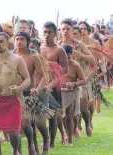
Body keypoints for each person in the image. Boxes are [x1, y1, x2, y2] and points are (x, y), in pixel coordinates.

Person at [13, 31, 53, 155]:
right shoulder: (10, 56)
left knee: (28, 124)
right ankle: (18, 150)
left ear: (27, 41)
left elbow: (43, 78)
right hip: (14, 94)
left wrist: (38, 89)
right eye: (17, 39)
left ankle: (39, 141)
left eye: (22, 39)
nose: (19, 42)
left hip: (29, 94)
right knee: (17, 125)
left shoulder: (33, 56)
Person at [58, 18, 97, 137]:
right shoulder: (58, 45)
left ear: (71, 30)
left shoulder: (80, 45)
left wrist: (80, 54)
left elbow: (93, 61)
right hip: (65, 82)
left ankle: (87, 123)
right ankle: (73, 131)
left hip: (82, 79)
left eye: (67, 29)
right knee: (65, 111)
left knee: (83, 107)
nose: (65, 31)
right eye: (63, 29)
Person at [40, 21, 69, 149]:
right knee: (39, 116)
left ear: (55, 33)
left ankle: (51, 142)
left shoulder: (60, 50)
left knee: (52, 117)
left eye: (49, 32)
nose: (46, 35)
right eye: (45, 32)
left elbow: (65, 69)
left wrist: (53, 67)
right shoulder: (38, 48)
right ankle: (44, 139)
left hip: (54, 88)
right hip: (39, 86)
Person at [60, 44, 86, 147]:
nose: (66, 59)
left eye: (68, 57)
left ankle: (70, 140)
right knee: (60, 117)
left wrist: (74, 84)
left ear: (71, 55)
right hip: (60, 92)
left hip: (72, 93)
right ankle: (65, 134)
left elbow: (83, 80)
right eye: (63, 57)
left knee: (69, 116)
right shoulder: (57, 63)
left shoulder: (75, 65)